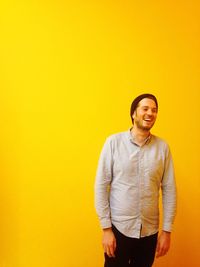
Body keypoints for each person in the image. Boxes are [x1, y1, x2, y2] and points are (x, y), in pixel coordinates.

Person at [94, 94, 177, 267]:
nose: (150, 113)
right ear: (134, 113)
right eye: (145, 108)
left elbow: (169, 190)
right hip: (118, 230)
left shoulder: (163, 148)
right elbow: (101, 186)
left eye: (154, 110)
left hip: (149, 232)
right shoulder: (113, 143)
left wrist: (166, 231)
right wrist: (106, 229)